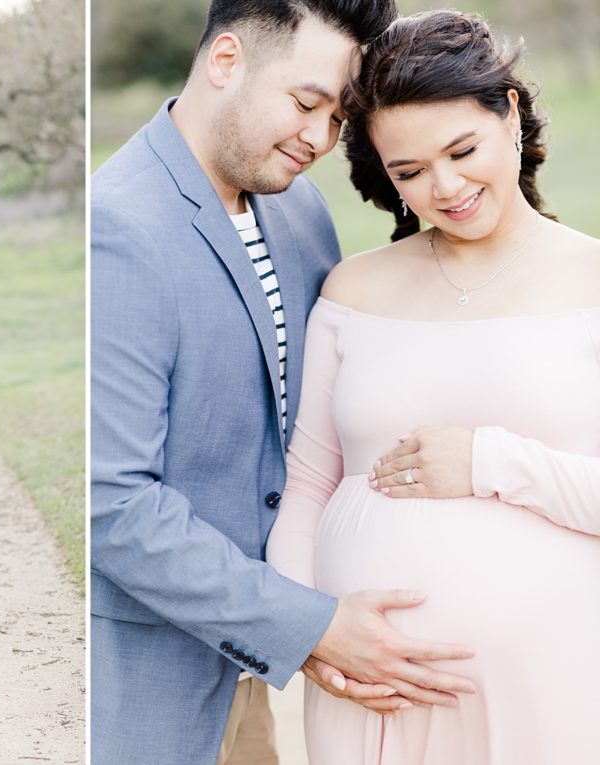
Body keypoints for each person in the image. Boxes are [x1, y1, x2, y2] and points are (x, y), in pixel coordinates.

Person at [91, 2, 480, 763]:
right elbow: (113, 503)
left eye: (338, 116)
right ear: (226, 60)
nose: (319, 139)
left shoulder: (299, 208)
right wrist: (311, 624)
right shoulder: (119, 228)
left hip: (250, 675)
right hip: (150, 680)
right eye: (306, 103)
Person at [267, 9, 600, 763]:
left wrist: (489, 463)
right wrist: (309, 629)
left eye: (462, 150)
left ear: (509, 113)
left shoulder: (594, 280)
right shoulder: (352, 289)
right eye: (408, 172)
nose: (445, 188)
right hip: (370, 695)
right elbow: (307, 481)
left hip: (551, 687)